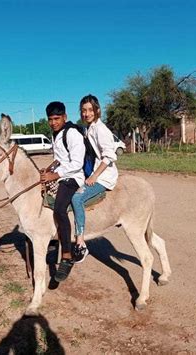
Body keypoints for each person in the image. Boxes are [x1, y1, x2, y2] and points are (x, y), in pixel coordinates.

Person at [40, 101, 85, 282]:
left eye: (57, 118)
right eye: (50, 119)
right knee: (43, 199)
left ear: (64, 117)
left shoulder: (72, 133)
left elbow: (77, 163)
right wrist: (48, 169)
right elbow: (58, 158)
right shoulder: (55, 134)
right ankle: (53, 242)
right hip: (60, 175)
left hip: (73, 177)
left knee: (59, 209)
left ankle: (66, 257)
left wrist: (55, 175)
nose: (53, 122)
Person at [71, 94, 118, 263]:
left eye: (90, 110)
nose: (86, 113)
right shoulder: (89, 128)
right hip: (93, 173)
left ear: (97, 110)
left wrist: (94, 176)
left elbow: (109, 156)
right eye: (84, 110)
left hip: (103, 177)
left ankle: (81, 243)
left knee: (77, 198)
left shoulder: (101, 130)